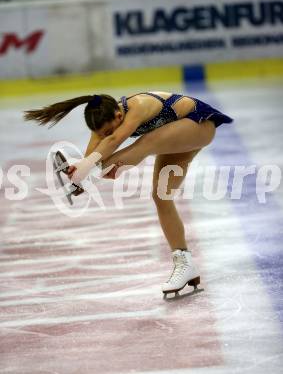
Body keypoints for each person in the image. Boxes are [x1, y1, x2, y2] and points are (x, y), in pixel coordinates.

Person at [24, 91, 233, 297]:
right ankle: (185, 264)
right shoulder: (102, 123)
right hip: (176, 136)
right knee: (161, 196)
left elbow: (114, 140)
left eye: (106, 132)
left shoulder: (138, 106)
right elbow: (95, 157)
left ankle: (88, 178)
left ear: (118, 116)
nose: (103, 136)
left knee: (146, 143)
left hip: (199, 124)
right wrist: (83, 175)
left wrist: (85, 171)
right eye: (100, 134)